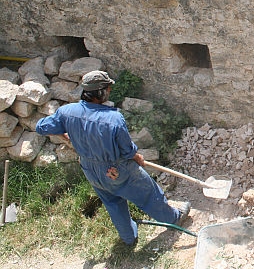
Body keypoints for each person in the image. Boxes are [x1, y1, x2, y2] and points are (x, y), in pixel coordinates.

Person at [36, 70, 190, 247]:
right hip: (116, 170)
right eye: (108, 89)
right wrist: (137, 156)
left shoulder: (67, 112)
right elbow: (126, 151)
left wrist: (65, 133)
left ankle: (128, 238)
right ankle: (174, 218)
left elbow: (41, 127)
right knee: (149, 193)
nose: (109, 92)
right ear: (101, 92)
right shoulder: (113, 119)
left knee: (112, 202)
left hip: (90, 170)